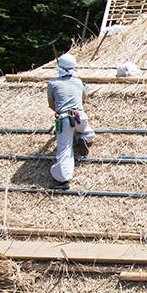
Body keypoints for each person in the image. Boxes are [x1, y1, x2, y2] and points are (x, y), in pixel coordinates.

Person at [47, 53, 95, 190]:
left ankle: (63, 179)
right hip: (80, 116)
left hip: (64, 118)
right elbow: (83, 99)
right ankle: (83, 138)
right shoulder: (79, 82)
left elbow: (51, 104)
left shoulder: (53, 83)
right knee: (88, 132)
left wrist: (61, 110)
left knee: (65, 148)